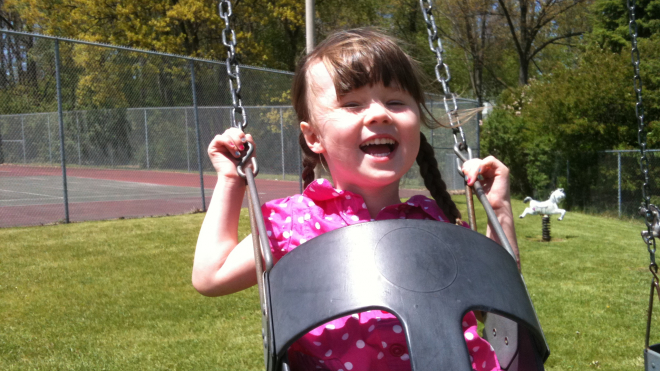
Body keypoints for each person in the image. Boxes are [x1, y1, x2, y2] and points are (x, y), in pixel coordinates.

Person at [193, 28, 520, 371]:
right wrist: (231, 180)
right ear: (314, 136)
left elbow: (496, 305)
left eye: (396, 101)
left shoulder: (433, 222)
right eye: (352, 104)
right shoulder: (294, 222)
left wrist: (498, 210)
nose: (380, 114)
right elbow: (211, 276)